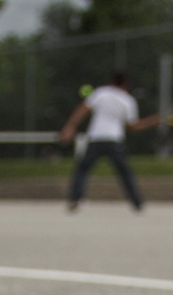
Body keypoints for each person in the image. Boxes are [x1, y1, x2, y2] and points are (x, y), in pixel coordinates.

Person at [59, 72, 160, 213]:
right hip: (114, 140)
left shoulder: (101, 93)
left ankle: (74, 199)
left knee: (82, 169)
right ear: (126, 84)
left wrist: (70, 126)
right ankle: (137, 203)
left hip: (96, 138)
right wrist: (151, 121)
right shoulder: (128, 100)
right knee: (125, 173)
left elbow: (82, 110)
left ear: (111, 81)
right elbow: (133, 127)